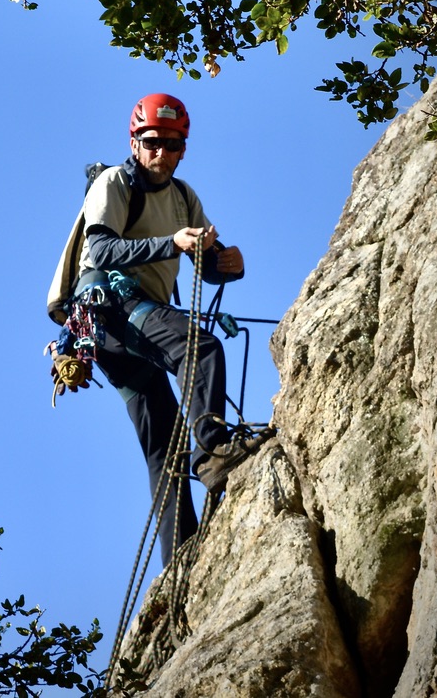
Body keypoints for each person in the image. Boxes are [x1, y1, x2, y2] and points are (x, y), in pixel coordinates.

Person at [70, 93, 265, 567]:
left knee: (164, 445)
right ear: (134, 143)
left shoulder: (183, 197)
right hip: (112, 308)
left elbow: (206, 263)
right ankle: (213, 449)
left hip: (132, 324)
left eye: (172, 144)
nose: (161, 152)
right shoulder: (114, 183)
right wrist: (170, 244)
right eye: (152, 142)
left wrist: (227, 264)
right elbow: (102, 251)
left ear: (183, 150)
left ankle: (180, 558)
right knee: (199, 347)